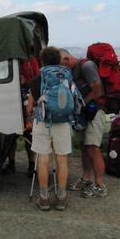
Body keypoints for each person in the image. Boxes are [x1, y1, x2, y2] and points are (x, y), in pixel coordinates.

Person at [26, 47, 72, 211]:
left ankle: (44, 198)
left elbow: (30, 108)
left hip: (42, 121)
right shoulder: (66, 76)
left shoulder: (36, 80)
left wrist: (30, 115)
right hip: (63, 122)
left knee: (43, 159)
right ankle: (61, 197)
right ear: (59, 60)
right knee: (62, 159)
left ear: (42, 61)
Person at [60, 49, 108, 198]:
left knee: (93, 147)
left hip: (95, 111)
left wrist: (81, 104)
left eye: (62, 65)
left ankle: (100, 185)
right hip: (84, 113)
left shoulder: (87, 66)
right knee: (84, 147)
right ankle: (86, 179)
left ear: (67, 59)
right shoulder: (74, 70)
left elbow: (97, 91)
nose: (62, 69)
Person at [5, 56, 40, 176]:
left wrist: (26, 82)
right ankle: (13, 164)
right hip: (14, 100)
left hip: (26, 100)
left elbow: (36, 79)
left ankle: (30, 165)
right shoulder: (13, 59)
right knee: (11, 135)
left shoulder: (31, 60)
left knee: (28, 135)